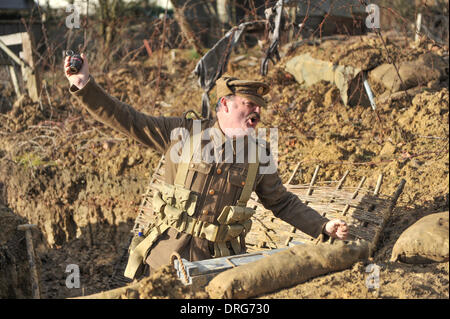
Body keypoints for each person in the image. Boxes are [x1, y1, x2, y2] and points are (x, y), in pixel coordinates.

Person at [64, 54, 348, 279]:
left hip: (220, 268)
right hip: (164, 261)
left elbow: (282, 202)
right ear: (224, 104)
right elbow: (128, 119)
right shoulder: (182, 133)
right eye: (249, 104)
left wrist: (323, 226)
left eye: (260, 107)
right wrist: (84, 86)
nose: (257, 112)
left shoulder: (258, 153)